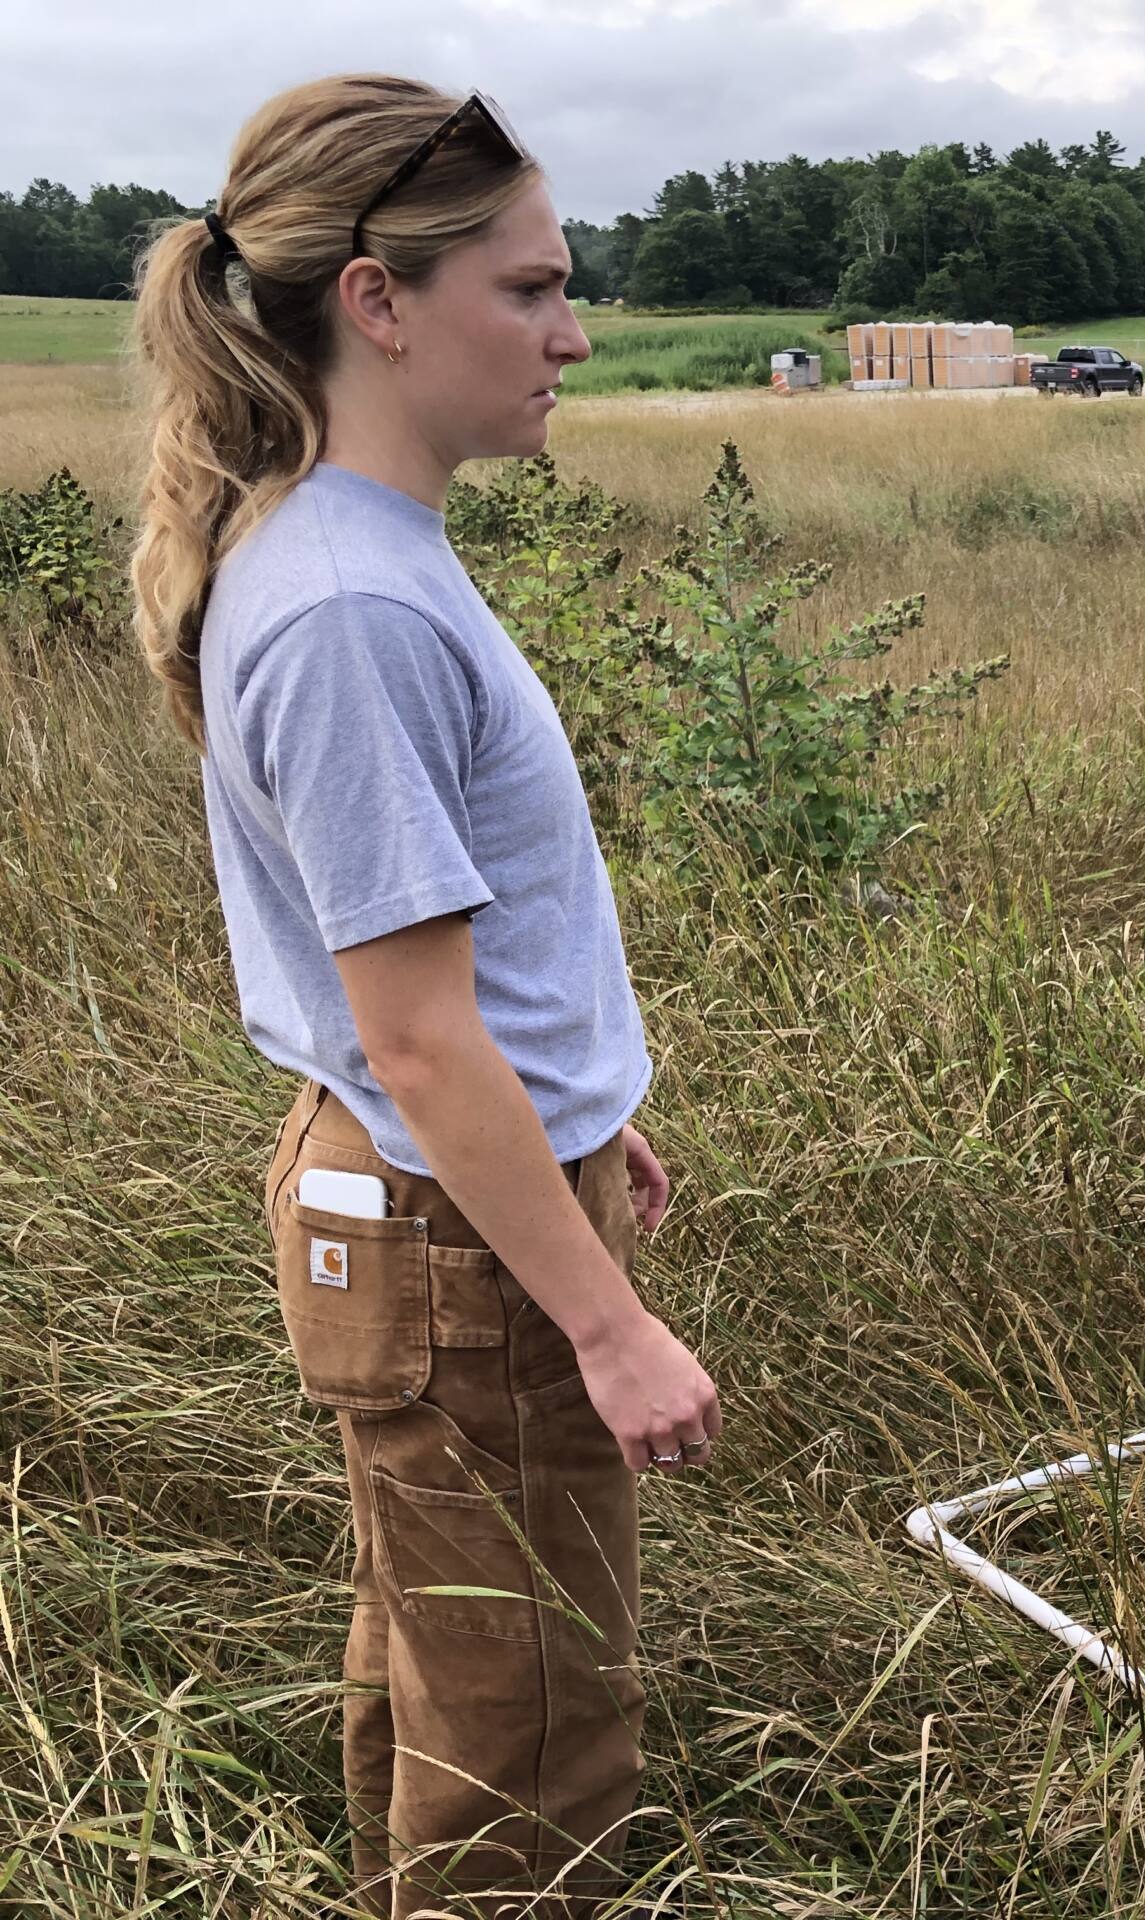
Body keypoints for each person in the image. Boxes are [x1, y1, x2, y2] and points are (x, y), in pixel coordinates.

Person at [129, 75, 720, 1916]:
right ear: (378, 301)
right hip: (452, 1238)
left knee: (453, 1664)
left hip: (432, 1196)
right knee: (537, 1733)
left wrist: (592, 1115)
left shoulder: (359, 552)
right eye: (530, 290)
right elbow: (415, 1033)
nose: (574, 330)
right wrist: (608, 1322)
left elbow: (446, 989)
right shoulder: (349, 607)